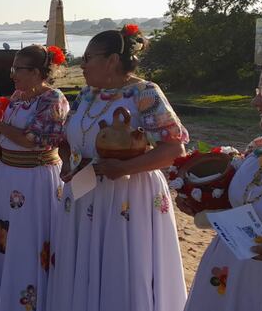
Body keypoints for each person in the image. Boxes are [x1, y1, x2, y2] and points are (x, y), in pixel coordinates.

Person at [46, 26, 189, 311]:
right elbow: (65, 138)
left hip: (126, 196)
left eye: (88, 58)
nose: (82, 65)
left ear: (111, 60)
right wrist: (67, 163)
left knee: (119, 266)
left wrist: (126, 168)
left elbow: (174, 149)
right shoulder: (87, 94)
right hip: (84, 191)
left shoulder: (144, 93)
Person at [0, 45, 69, 311]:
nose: (13, 75)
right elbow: (7, 136)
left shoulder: (53, 99)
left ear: (36, 72)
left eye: (17, 69)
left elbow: (36, 140)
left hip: (34, 180)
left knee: (29, 240)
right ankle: (1, 296)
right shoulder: (18, 96)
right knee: (3, 237)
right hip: (7, 177)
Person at [180, 65, 262, 311]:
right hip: (227, 276)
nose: (255, 101)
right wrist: (202, 202)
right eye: (258, 89)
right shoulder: (259, 147)